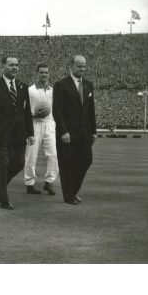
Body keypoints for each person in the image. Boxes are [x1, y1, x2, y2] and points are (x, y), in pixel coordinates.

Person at [0, 56, 35, 210]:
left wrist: (30, 133)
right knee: (1, 165)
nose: (15, 67)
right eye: (11, 65)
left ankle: (1, 182)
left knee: (20, 163)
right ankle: (4, 200)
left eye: (17, 65)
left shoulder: (22, 87)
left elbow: (26, 112)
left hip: (19, 133)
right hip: (1, 133)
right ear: (3, 66)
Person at [52, 55, 97, 205]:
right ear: (71, 66)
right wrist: (64, 131)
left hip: (85, 133)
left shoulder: (88, 85)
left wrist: (94, 131)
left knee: (86, 160)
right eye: (79, 66)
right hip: (68, 134)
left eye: (84, 66)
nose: (82, 69)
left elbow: (91, 110)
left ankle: (73, 191)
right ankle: (68, 196)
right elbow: (57, 111)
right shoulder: (61, 85)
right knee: (67, 165)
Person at [23, 63, 59, 195]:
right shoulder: (30, 90)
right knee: (31, 155)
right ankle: (29, 183)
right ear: (37, 73)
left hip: (49, 123)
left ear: (49, 74)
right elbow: (24, 110)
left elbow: (55, 109)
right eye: (41, 72)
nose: (44, 74)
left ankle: (49, 182)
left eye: (46, 72)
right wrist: (34, 115)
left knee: (54, 154)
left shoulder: (52, 90)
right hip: (34, 123)